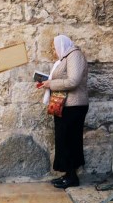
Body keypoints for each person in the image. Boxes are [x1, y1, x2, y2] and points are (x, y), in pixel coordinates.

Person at [38, 35, 89, 189]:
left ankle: (73, 177)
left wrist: (51, 84)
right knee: (63, 140)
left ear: (62, 44)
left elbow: (73, 81)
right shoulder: (66, 57)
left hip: (74, 106)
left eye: (55, 46)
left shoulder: (75, 56)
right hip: (65, 105)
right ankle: (68, 174)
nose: (54, 50)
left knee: (70, 140)